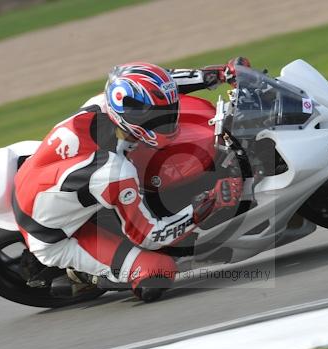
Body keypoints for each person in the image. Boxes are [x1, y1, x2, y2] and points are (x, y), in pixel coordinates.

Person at [13, 58, 249, 302]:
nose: (169, 119)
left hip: (42, 180)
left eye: (169, 111)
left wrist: (219, 74)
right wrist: (208, 203)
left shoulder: (108, 102)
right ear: (133, 117)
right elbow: (150, 236)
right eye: (159, 116)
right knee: (159, 271)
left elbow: (165, 84)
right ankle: (82, 276)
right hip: (57, 234)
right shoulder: (114, 172)